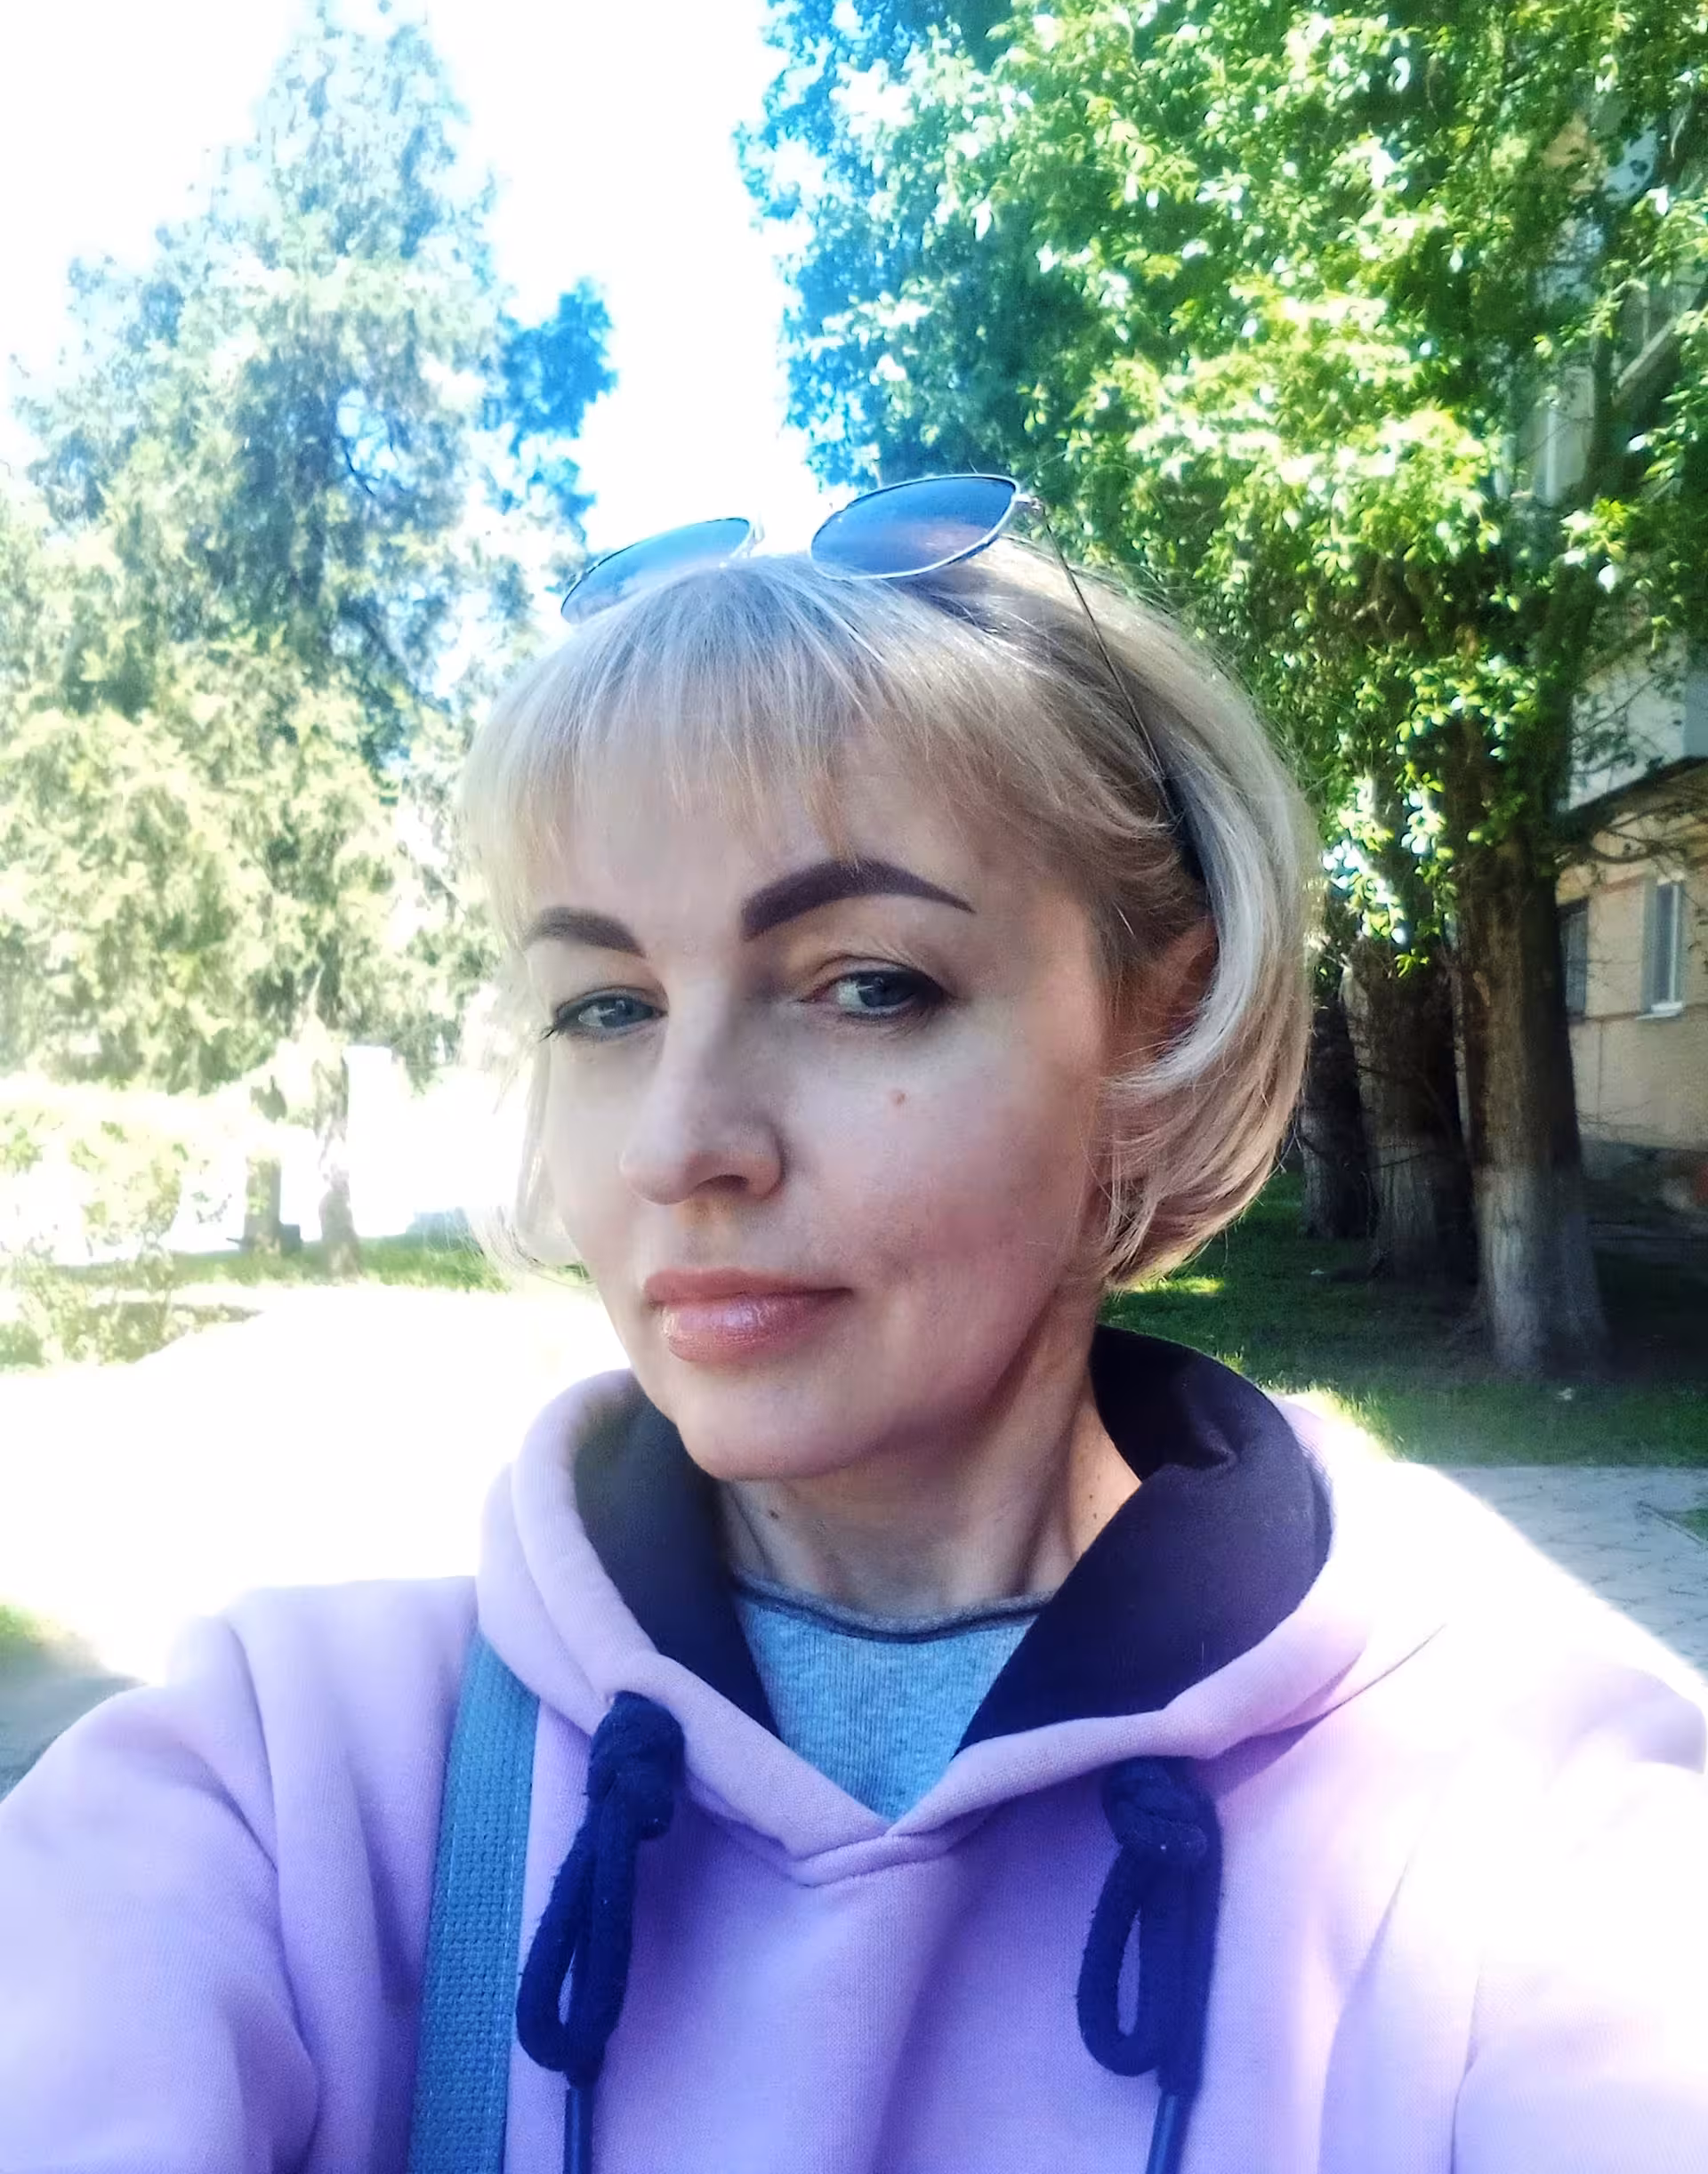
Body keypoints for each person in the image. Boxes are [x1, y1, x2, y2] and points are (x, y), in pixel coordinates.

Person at [1, 475, 1704, 2174]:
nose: (680, 1144)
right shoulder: (279, 1783)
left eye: (866, 986)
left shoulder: (1527, 1825)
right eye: (607, 1007)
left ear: (1156, 1041)